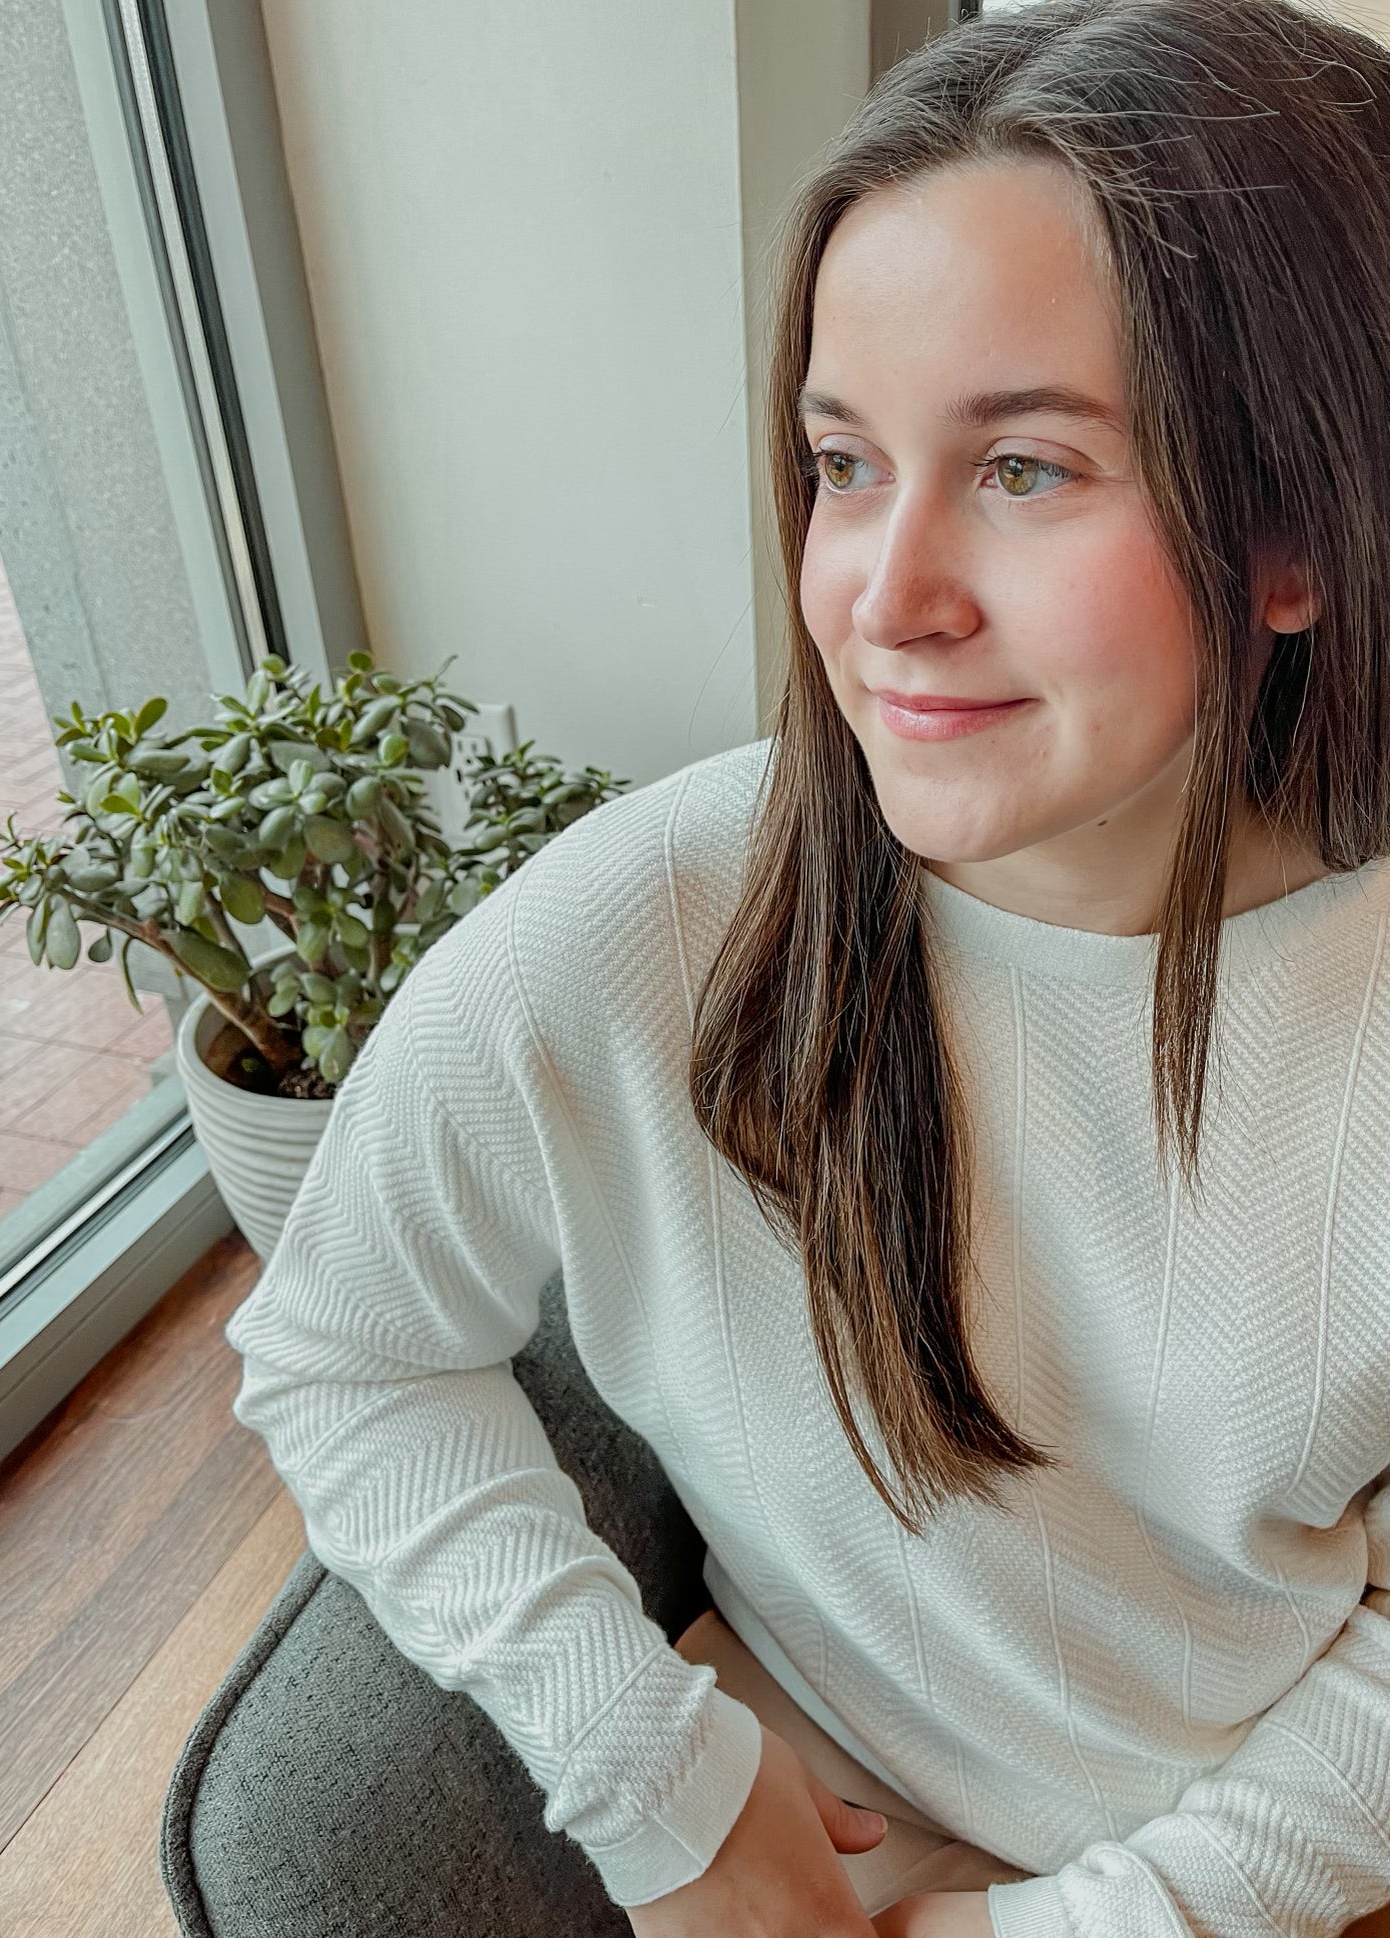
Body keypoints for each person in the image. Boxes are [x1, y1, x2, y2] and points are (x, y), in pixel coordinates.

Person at [222, 1, 1390, 1933]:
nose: (881, 594)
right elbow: (340, 1345)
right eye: (842, 463)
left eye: (1023, 467)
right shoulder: (645, 926)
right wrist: (652, 1776)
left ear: (1296, 529)